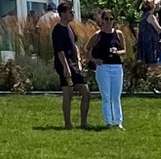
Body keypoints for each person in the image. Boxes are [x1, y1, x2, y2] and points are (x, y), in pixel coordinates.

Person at [52, 2, 90, 130]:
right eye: (70, 12)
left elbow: (74, 45)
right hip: (65, 65)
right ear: (62, 14)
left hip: (74, 64)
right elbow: (60, 51)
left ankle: (83, 123)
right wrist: (65, 67)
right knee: (68, 93)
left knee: (86, 92)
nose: (72, 14)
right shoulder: (58, 30)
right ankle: (68, 124)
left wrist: (78, 60)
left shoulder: (70, 28)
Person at [86, 9, 125, 128]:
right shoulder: (98, 35)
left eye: (111, 19)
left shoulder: (118, 34)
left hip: (116, 67)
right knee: (106, 96)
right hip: (103, 67)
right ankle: (108, 121)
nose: (108, 21)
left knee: (116, 96)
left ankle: (118, 122)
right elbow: (87, 49)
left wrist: (118, 52)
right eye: (106, 19)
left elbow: (124, 50)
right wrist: (94, 60)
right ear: (102, 20)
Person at [136, 0, 161, 65]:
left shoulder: (143, 16)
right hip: (151, 43)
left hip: (143, 43)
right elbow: (158, 29)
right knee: (153, 64)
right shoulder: (150, 16)